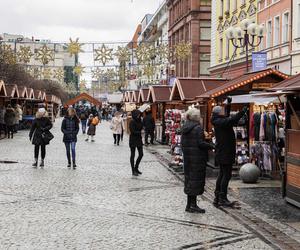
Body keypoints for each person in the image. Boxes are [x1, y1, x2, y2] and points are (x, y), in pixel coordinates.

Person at [211, 97, 248, 207]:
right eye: (222, 111)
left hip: (223, 151)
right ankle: (222, 198)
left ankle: (218, 197)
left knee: (222, 174)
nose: (224, 112)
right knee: (226, 175)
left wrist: (229, 104)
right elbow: (230, 120)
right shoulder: (221, 122)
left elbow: (227, 116)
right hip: (225, 152)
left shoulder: (217, 120)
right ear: (219, 113)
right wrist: (242, 112)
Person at [181, 108, 214, 213]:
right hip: (197, 158)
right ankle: (193, 205)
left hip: (188, 159)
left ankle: (189, 205)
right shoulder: (197, 128)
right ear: (196, 117)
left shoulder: (185, 127)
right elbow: (200, 143)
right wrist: (211, 146)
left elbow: (183, 144)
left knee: (190, 181)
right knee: (195, 181)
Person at [129, 109, 144, 176]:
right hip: (133, 139)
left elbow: (141, 127)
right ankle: (133, 170)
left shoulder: (140, 120)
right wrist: (140, 132)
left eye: (139, 114)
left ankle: (136, 167)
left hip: (139, 139)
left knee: (141, 154)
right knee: (133, 155)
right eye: (138, 114)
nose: (139, 115)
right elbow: (133, 131)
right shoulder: (132, 121)